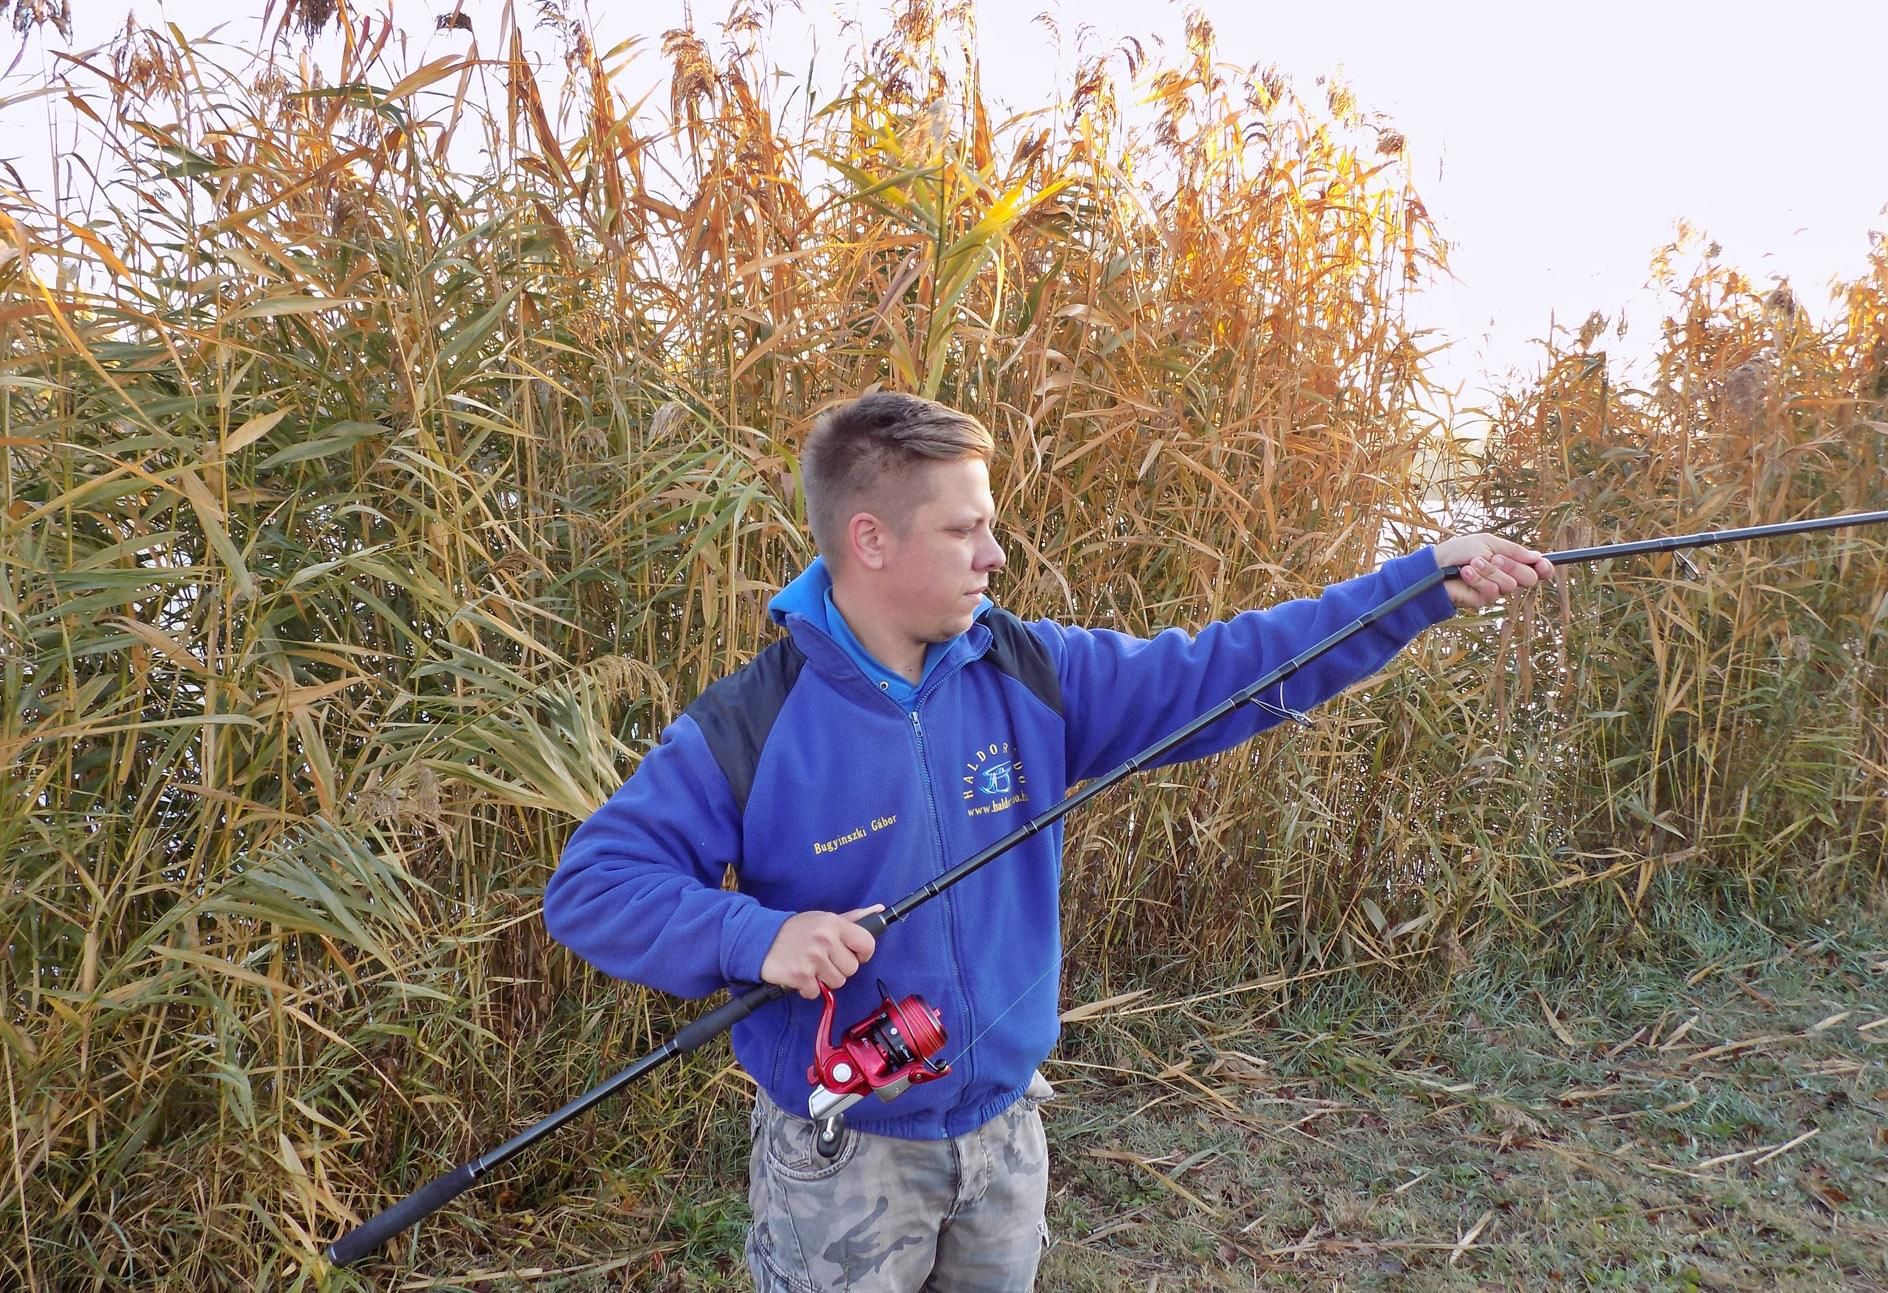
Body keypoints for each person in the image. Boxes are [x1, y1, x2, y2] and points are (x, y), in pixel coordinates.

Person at [543, 390, 1552, 1291]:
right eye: (965, 531)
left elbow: (1229, 669)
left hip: (1004, 1137)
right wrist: (755, 937)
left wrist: (1418, 588)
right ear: (871, 540)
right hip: (841, 1161)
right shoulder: (750, 723)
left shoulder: (1032, 671)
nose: (994, 557)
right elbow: (593, 886)